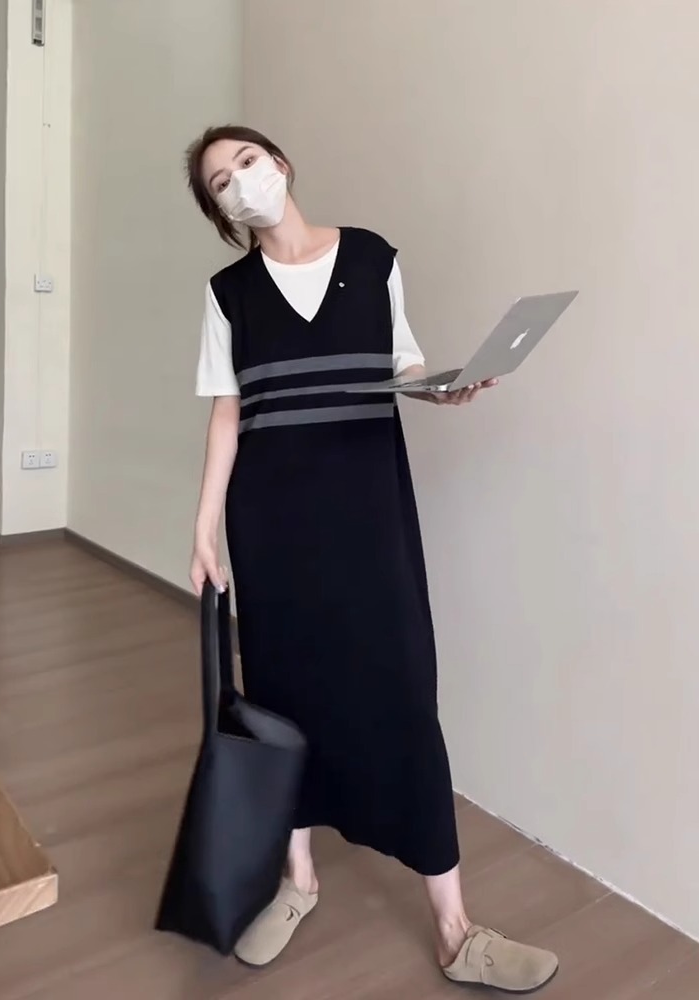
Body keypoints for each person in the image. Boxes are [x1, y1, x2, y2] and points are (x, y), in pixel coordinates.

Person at [185, 124, 558, 993]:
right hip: (272, 523)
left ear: (280, 163)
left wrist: (442, 389)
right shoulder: (227, 294)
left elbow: (405, 363)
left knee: (402, 692)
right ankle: (298, 880)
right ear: (218, 211)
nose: (241, 181)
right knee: (281, 695)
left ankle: (456, 929)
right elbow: (227, 412)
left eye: (247, 161)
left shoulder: (371, 257)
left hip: (369, 512)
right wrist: (204, 528)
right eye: (220, 182)